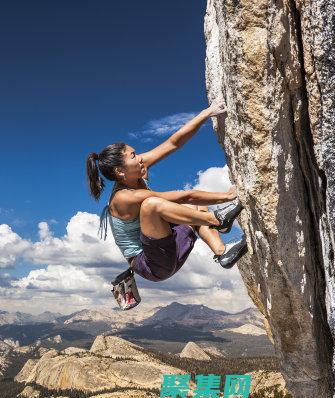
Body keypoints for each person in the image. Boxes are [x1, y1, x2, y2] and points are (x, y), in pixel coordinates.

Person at [85, 99, 248, 289]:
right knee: (152, 205)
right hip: (152, 264)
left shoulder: (136, 170)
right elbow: (183, 196)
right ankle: (218, 220)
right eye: (133, 156)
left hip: (167, 247)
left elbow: (173, 143)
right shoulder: (123, 198)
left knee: (193, 207)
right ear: (120, 171)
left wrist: (206, 113)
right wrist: (227, 196)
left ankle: (222, 252)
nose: (140, 158)